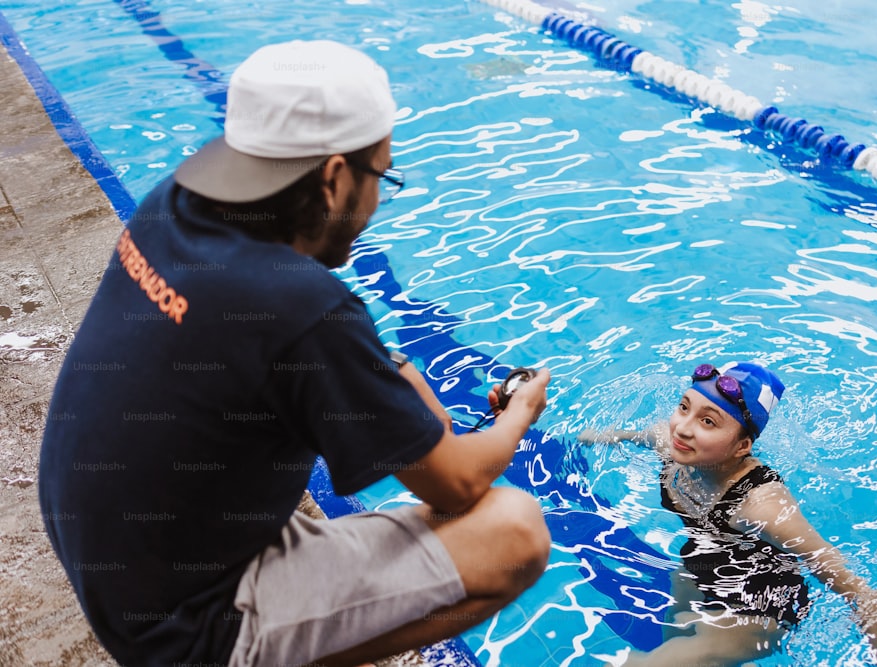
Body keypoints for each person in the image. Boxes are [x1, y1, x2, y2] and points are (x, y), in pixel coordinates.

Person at [38, 40, 551, 667]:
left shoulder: (170, 206)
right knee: (514, 532)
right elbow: (457, 486)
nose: (374, 208)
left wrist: (400, 383)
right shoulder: (301, 309)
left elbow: (345, 369)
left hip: (112, 559)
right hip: (186, 627)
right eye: (381, 180)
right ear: (335, 176)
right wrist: (518, 413)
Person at [579, 362, 877, 667]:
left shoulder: (761, 505)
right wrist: (600, 438)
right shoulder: (671, 442)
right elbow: (633, 437)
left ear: (742, 446)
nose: (683, 428)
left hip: (760, 606)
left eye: (708, 421)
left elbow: (859, 590)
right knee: (671, 634)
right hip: (703, 564)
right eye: (684, 407)